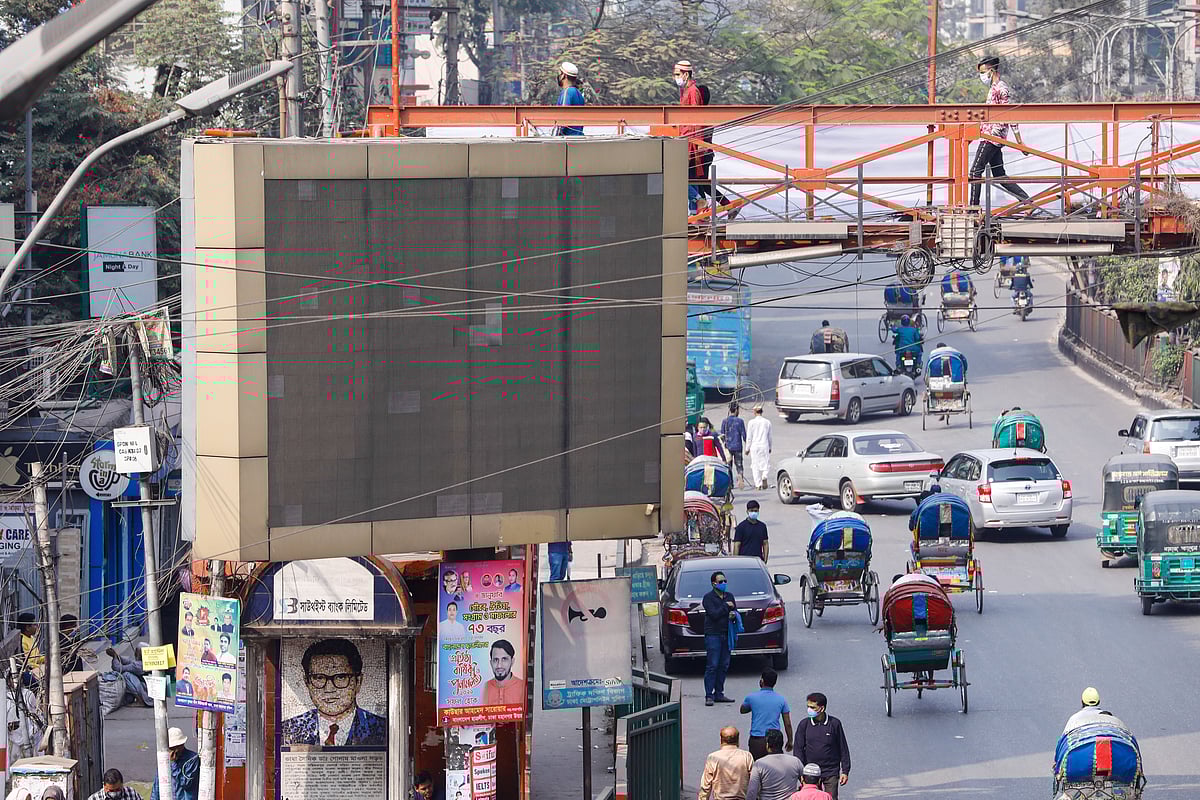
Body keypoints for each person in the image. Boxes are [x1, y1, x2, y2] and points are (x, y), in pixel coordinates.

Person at [280, 638, 387, 746]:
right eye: (319, 678)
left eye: (340, 677)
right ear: (307, 682)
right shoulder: (290, 729)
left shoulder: (382, 729)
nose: (329, 689)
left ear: (358, 682)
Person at [969, 56, 1032, 209]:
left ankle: (972, 210)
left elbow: (1011, 115)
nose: (982, 76)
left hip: (992, 136)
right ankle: (1027, 201)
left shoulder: (1001, 88)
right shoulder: (993, 88)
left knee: (975, 172)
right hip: (992, 136)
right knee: (999, 175)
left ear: (992, 70)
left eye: (983, 72)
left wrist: (1019, 142)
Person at [792, 693, 850, 799]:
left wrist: (845, 771)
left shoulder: (834, 724)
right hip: (810, 773)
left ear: (822, 708)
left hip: (830, 771)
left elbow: (843, 748)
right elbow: (798, 750)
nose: (809, 709)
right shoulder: (804, 725)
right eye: (808, 706)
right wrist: (801, 772)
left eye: (812, 707)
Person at [702, 570, 737, 706]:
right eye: (720, 581)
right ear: (713, 583)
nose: (723, 583)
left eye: (725, 581)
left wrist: (733, 614)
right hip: (713, 635)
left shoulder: (729, 596)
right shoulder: (708, 598)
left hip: (726, 634)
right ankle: (709, 695)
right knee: (713, 665)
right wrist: (725, 607)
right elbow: (714, 614)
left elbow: (734, 610)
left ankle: (719, 693)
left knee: (724, 665)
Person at [740, 668, 793, 760]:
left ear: (762, 681)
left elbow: (743, 710)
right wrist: (790, 740)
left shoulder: (751, 697)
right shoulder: (781, 699)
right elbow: (787, 724)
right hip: (775, 739)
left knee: (757, 766)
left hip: (757, 739)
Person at [697, 726, 754, 800]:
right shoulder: (747, 756)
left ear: (721, 740)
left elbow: (705, 786)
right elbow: (754, 782)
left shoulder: (713, 758)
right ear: (738, 740)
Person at [746, 729, 803, 800]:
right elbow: (807, 783)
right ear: (782, 743)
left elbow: (752, 792)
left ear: (767, 745)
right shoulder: (796, 761)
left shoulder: (759, 764)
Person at [150, 727, 200, 800]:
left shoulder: (192, 759)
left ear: (182, 745)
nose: (174, 750)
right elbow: (157, 785)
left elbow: (186, 783)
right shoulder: (165, 759)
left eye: (176, 747)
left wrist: (173, 763)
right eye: (171, 747)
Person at [107, 643, 152, 707]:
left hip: (147, 692)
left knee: (126, 675)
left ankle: (140, 701)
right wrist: (116, 655)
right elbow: (128, 661)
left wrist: (114, 656)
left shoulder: (138, 665)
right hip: (148, 690)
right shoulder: (146, 662)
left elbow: (118, 668)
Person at [481, 639, 523, 705]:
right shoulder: (485, 687)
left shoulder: (523, 686)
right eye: (495, 660)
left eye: (504, 659)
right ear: (491, 663)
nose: (499, 665)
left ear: (512, 661)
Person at [746, 405, 772, 490]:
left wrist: (747, 448)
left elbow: (749, 437)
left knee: (755, 465)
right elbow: (770, 437)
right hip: (764, 445)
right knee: (766, 464)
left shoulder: (751, 422)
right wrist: (770, 447)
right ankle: (764, 476)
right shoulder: (767, 422)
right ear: (762, 411)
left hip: (755, 446)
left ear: (754, 412)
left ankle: (758, 484)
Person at [554, 62, 585, 136]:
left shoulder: (567, 92)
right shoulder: (578, 93)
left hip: (568, 138)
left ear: (564, 76)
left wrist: (557, 136)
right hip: (578, 137)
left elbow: (563, 116)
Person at [721, 403, 748, 488]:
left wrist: (723, 444)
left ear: (729, 410)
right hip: (738, 446)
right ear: (737, 410)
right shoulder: (740, 421)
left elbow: (722, 435)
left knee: (728, 466)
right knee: (739, 464)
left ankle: (730, 483)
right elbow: (744, 435)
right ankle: (740, 476)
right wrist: (747, 446)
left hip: (728, 447)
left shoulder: (725, 421)